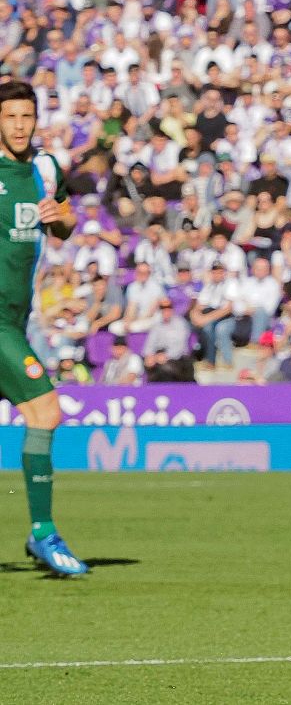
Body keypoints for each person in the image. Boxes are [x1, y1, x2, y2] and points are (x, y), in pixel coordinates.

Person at [0, 80, 86, 576]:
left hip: (15, 320)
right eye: (10, 116)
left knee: (41, 414)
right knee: (45, 409)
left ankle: (41, 533)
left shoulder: (45, 168)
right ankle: (42, 532)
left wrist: (62, 217)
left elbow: (64, 224)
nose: (18, 125)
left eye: (25, 116)